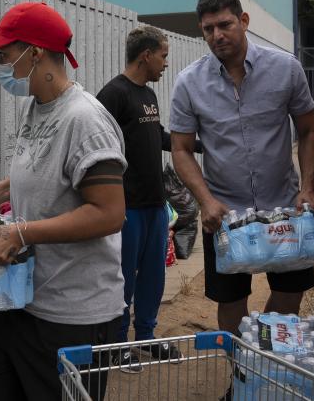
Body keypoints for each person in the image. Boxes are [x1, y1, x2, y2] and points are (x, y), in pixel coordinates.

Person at [0, 1, 127, 401]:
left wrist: (19, 233)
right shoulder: (36, 107)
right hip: (21, 299)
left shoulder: (85, 120)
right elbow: (45, 165)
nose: (1, 65)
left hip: (71, 314)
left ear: (34, 53)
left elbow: (109, 213)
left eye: (4, 54)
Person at [170, 0, 314, 337]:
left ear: (244, 20)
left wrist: (309, 189)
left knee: (289, 293)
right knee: (231, 301)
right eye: (208, 29)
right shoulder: (189, 83)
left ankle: (265, 364)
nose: (217, 35)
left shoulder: (285, 69)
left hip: (284, 208)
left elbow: (310, 131)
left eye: (224, 24)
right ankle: (243, 374)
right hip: (224, 216)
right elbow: (180, 149)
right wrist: (205, 201)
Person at [96, 26, 200, 370]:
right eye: (163, 56)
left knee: (154, 277)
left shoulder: (149, 96)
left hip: (156, 207)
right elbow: (97, 146)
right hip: (126, 209)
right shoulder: (113, 94)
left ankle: (145, 337)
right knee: (122, 278)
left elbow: (159, 138)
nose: (165, 63)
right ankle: (116, 344)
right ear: (146, 55)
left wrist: (200, 143)